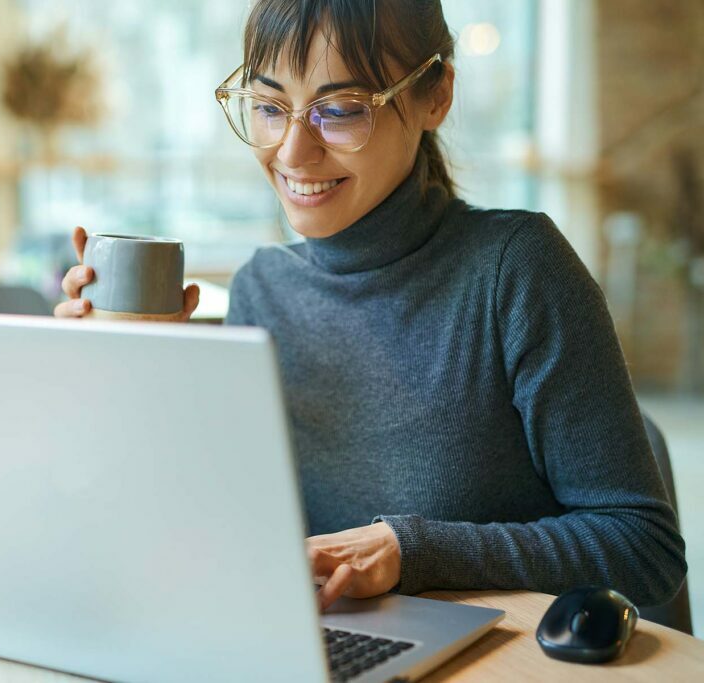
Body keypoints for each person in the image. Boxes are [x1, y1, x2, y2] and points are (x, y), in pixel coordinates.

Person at [55, 0, 686, 611]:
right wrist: (141, 381)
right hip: (329, 649)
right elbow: (221, 535)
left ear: (435, 95)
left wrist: (410, 552)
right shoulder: (263, 290)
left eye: (340, 110)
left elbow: (643, 547)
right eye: (269, 107)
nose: (292, 153)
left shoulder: (515, 270)